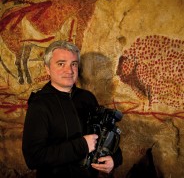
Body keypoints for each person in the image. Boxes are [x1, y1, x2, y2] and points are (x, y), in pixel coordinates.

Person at [22, 40, 122, 178]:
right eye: (61, 64)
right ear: (47, 68)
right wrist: (82, 145)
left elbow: (104, 133)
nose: (69, 71)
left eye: (73, 64)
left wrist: (114, 159)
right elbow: (33, 158)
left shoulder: (87, 98)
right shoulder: (39, 104)